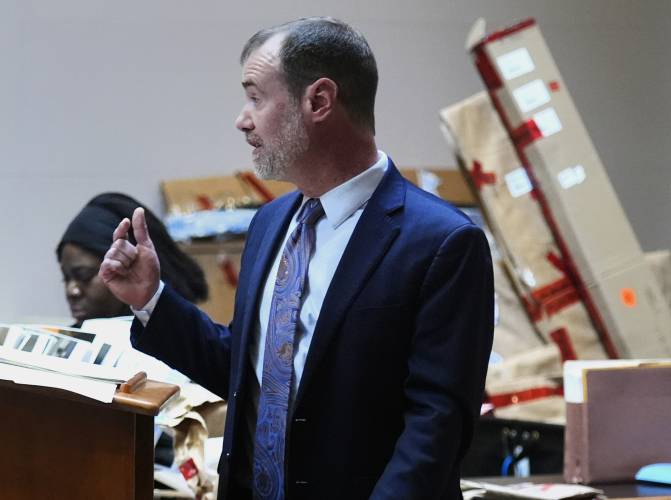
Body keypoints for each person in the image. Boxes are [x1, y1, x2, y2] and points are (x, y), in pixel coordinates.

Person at [99, 17, 494, 500]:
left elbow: (436, 426)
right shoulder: (270, 223)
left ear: (319, 101)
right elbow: (249, 371)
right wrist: (151, 299)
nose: (242, 119)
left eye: (255, 96)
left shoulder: (442, 242)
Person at [57, 192, 208, 327]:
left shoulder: (171, 342)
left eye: (84, 276)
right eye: (66, 278)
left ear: (129, 268)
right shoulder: (66, 344)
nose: (72, 291)